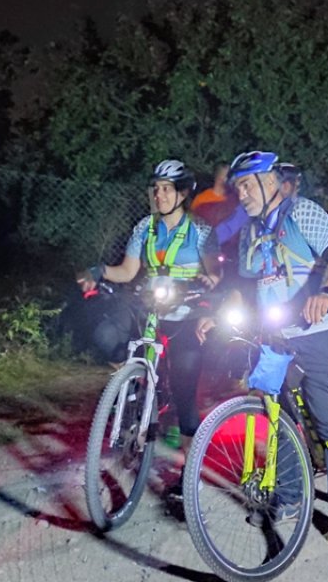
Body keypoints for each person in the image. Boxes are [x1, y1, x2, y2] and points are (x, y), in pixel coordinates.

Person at [196, 150, 328, 556]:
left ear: (272, 182)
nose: (243, 194)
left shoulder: (303, 212)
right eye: (238, 187)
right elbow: (243, 283)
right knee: (277, 416)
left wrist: (326, 292)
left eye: (249, 184)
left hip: (317, 330)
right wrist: (219, 313)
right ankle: (288, 495)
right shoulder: (251, 231)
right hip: (275, 335)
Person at [77, 159, 220, 491]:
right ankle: (132, 392)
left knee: (185, 392)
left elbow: (215, 274)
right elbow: (127, 271)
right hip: (152, 310)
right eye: (154, 188)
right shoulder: (144, 228)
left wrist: (205, 279)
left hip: (187, 316)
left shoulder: (200, 231)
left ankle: (191, 471)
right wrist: (98, 272)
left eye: (167, 189)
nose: (159, 195)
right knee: (105, 334)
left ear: (183, 193)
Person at [190, 163, 238, 227]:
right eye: (228, 175)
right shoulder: (201, 199)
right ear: (219, 178)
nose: (232, 178)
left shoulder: (234, 198)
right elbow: (192, 221)